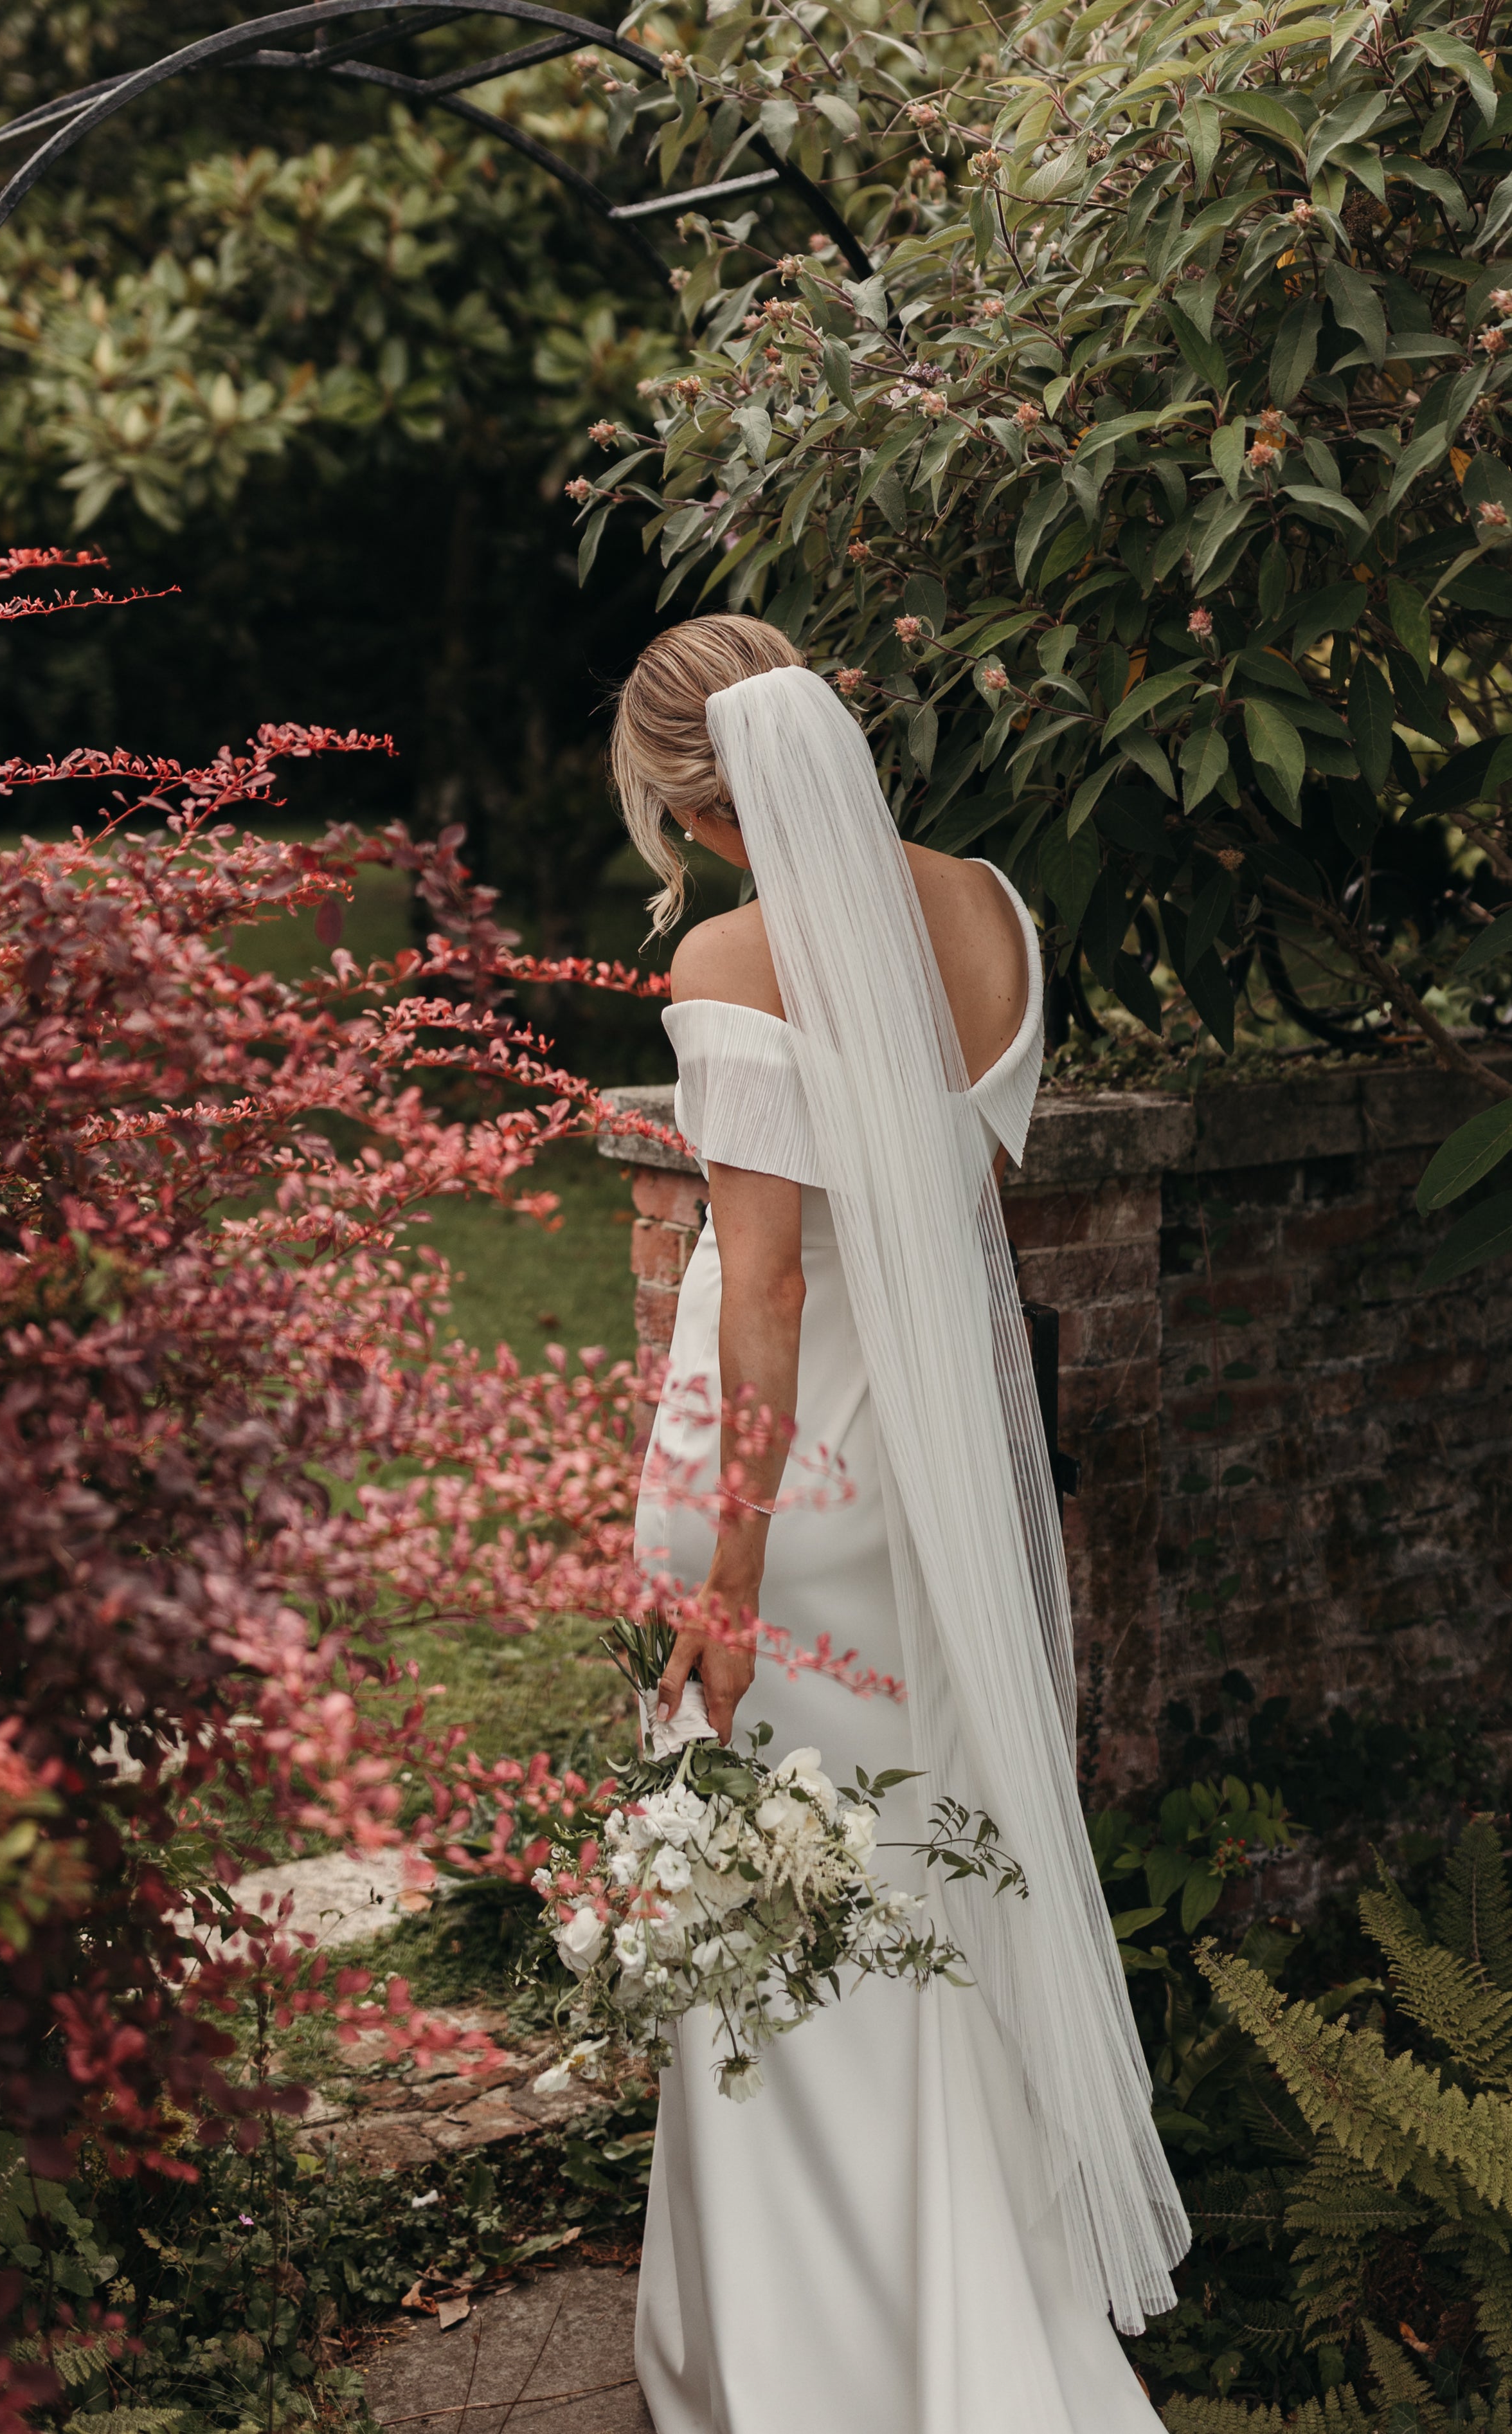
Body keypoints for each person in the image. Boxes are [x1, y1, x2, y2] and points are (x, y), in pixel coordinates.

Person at [608, 616, 1187, 2434]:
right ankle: (961, 2307)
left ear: (692, 800)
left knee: (778, 1900)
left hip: (790, 1495)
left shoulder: (731, 949)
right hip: (928, 1478)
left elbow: (766, 1283)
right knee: (926, 1879)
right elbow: (954, 1208)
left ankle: (809, 2360)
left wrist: (729, 1572)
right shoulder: (992, 914)